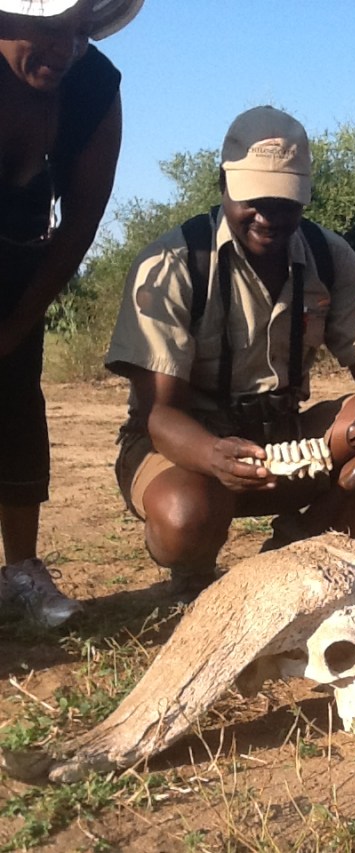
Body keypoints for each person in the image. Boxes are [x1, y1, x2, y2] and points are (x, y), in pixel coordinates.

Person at [106, 105, 355, 601]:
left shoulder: (327, 256)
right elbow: (160, 416)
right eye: (254, 199)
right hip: (184, 448)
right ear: (223, 183)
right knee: (186, 516)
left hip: (281, 442)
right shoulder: (175, 263)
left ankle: (303, 539)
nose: (269, 216)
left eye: (285, 202)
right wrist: (211, 455)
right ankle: (193, 572)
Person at [0, 0, 144, 625]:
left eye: (78, 34)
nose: (65, 50)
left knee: (16, 399)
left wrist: (14, 327)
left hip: (21, 261)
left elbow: (80, 222)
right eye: (50, 30)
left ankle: (20, 573)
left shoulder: (93, 87)